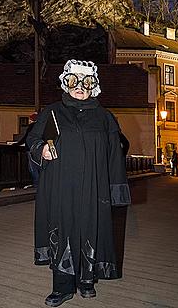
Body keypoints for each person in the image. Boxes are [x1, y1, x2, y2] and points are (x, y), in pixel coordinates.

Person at [27, 59, 131, 307]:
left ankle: (86, 281)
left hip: (94, 187)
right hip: (60, 186)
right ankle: (62, 287)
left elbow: (115, 155)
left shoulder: (105, 118)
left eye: (86, 82)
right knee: (62, 229)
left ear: (93, 86)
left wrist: (115, 193)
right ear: (65, 83)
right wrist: (41, 149)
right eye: (74, 82)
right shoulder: (52, 113)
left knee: (90, 228)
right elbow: (33, 138)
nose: (79, 87)